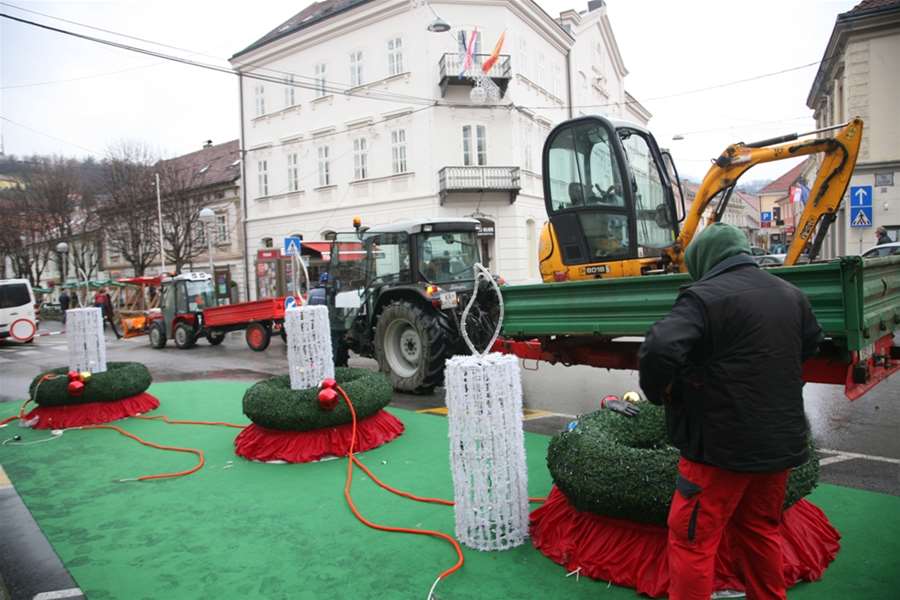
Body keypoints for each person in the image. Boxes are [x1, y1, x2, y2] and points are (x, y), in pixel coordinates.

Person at [637, 223, 823, 600]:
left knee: (692, 540)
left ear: (704, 259)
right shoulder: (792, 295)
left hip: (717, 451)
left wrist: (664, 394)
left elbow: (658, 350)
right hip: (779, 445)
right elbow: (810, 345)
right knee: (760, 531)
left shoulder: (702, 298)